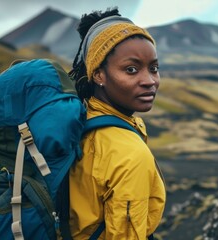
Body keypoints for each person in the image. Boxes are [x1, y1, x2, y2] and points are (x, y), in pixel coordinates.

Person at [67, 8, 166, 240]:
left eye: (154, 68)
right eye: (131, 70)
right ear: (99, 75)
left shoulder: (79, 119)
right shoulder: (129, 154)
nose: (149, 81)